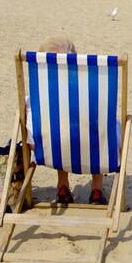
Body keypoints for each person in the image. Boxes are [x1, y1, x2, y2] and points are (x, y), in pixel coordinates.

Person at [32, 36, 108, 205]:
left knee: (55, 129)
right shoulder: (90, 88)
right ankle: (97, 189)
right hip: (90, 142)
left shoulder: (39, 91)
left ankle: (63, 186)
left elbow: (30, 124)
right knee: (104, 126)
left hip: (48, 147)